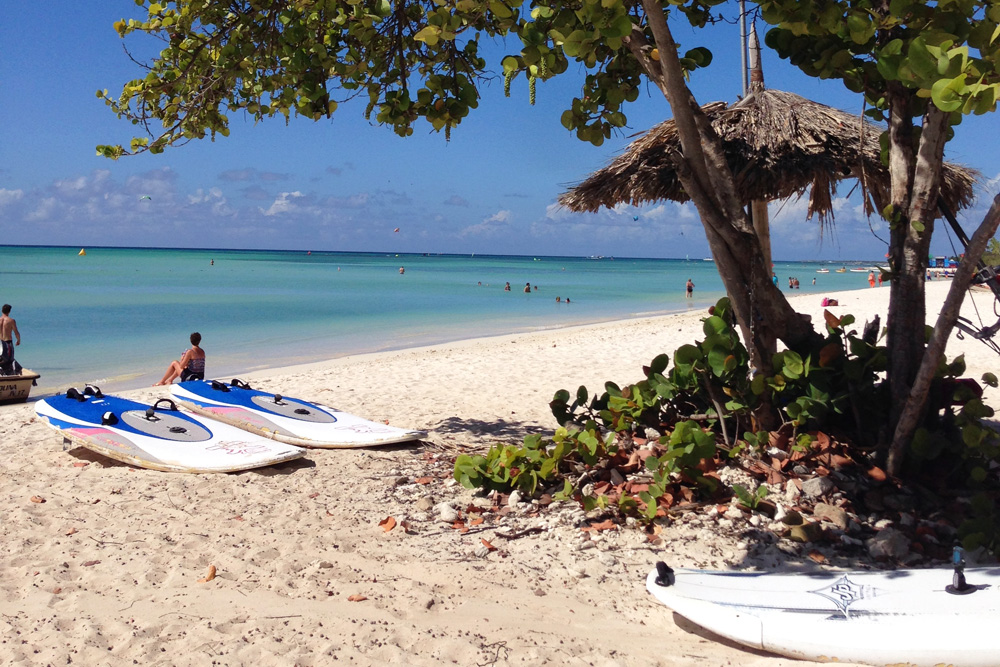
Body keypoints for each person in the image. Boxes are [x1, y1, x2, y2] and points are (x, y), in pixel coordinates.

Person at [0, 304, 21, 375]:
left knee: (1, 359)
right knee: (10, 359)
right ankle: (11, 375)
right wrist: (18, 340)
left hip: (0, 343)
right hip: (7, 343)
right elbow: (16, 332)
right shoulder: (11, 321)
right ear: (9, 312)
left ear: (2, 311)